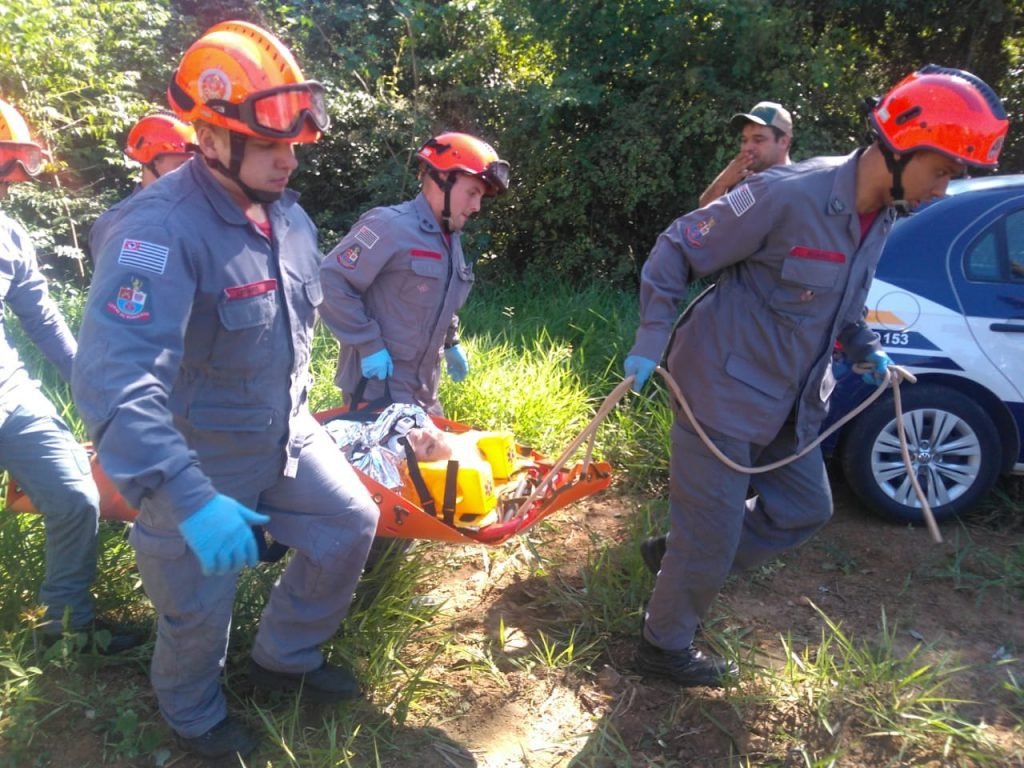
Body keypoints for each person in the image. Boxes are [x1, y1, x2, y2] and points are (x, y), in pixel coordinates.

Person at [623, 66, 1008, 688]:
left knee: (804, 508)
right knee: (713, 536)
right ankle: (662, 646)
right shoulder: (785, 193)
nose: (943, 190)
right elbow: (677, 246)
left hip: (794, 397)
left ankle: (680, 557)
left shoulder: (883, 215)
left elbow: (840, 307)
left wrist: (865, 348)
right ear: (899, 150)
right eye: (941, 171)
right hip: (718, 388)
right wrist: (650, 338)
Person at [72, 21, 379, 759]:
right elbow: (116, 384)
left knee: (349, 522)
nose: (288, 159)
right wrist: (189, 498)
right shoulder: (157, 232)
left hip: (285, 432)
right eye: (269, 145)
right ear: (209, 138)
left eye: (293, 144)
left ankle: (284, 657)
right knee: (198, 610)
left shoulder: (288, 215)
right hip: (198, 457)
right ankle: (192, 716)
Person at [0, 96, 140, 653]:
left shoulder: (9, 234)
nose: (10, 183)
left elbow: (41, 317)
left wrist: (93, 383)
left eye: (15, 168)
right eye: (4, 166)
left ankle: (64, 628)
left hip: (10, 395)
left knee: (76, 496)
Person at [319, 131, 510, 415]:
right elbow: (330, 280)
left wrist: (451, 342)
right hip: (377, 391)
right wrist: (368, 344)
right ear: (441, 180)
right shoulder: (388, 225)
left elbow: (438, 300)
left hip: (423, 392)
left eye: (480, 197)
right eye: (472, 193)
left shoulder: (449, 239)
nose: (476, 207)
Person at [88, 113, 197, 262]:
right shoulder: (115, 222)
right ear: (154, 162)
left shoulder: (197, 210)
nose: (191, 172)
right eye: (182, 165)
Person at [698, 101, 793, 208]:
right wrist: (722, 183)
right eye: (744, 140)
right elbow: (705, 214)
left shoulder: (795, 187)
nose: (747, 147)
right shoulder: (742, 180)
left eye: (758, 140)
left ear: (783, 142)